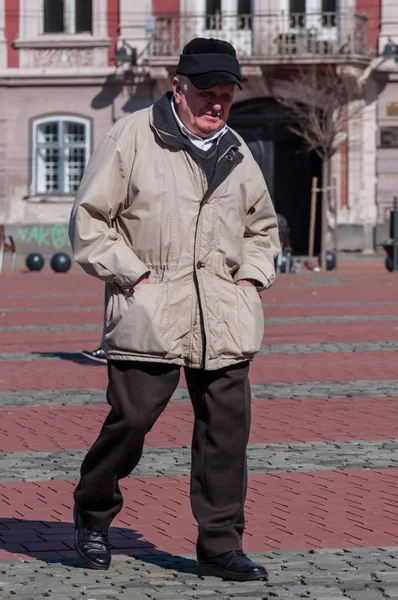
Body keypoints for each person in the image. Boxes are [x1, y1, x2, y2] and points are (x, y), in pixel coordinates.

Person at [68, 37, 280, 581]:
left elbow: (263, 228)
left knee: (225, 435)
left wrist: (252, 277)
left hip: (224, 315)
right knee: (132, 421)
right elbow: (90, 220)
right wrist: (132, 273)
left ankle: (220, 545)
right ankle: (93, 513)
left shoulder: (237, 150)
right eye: (207, 93)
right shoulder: (134, 135)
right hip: (151, 309)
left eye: (226, 96)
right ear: (178, 88)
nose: (217, 105)